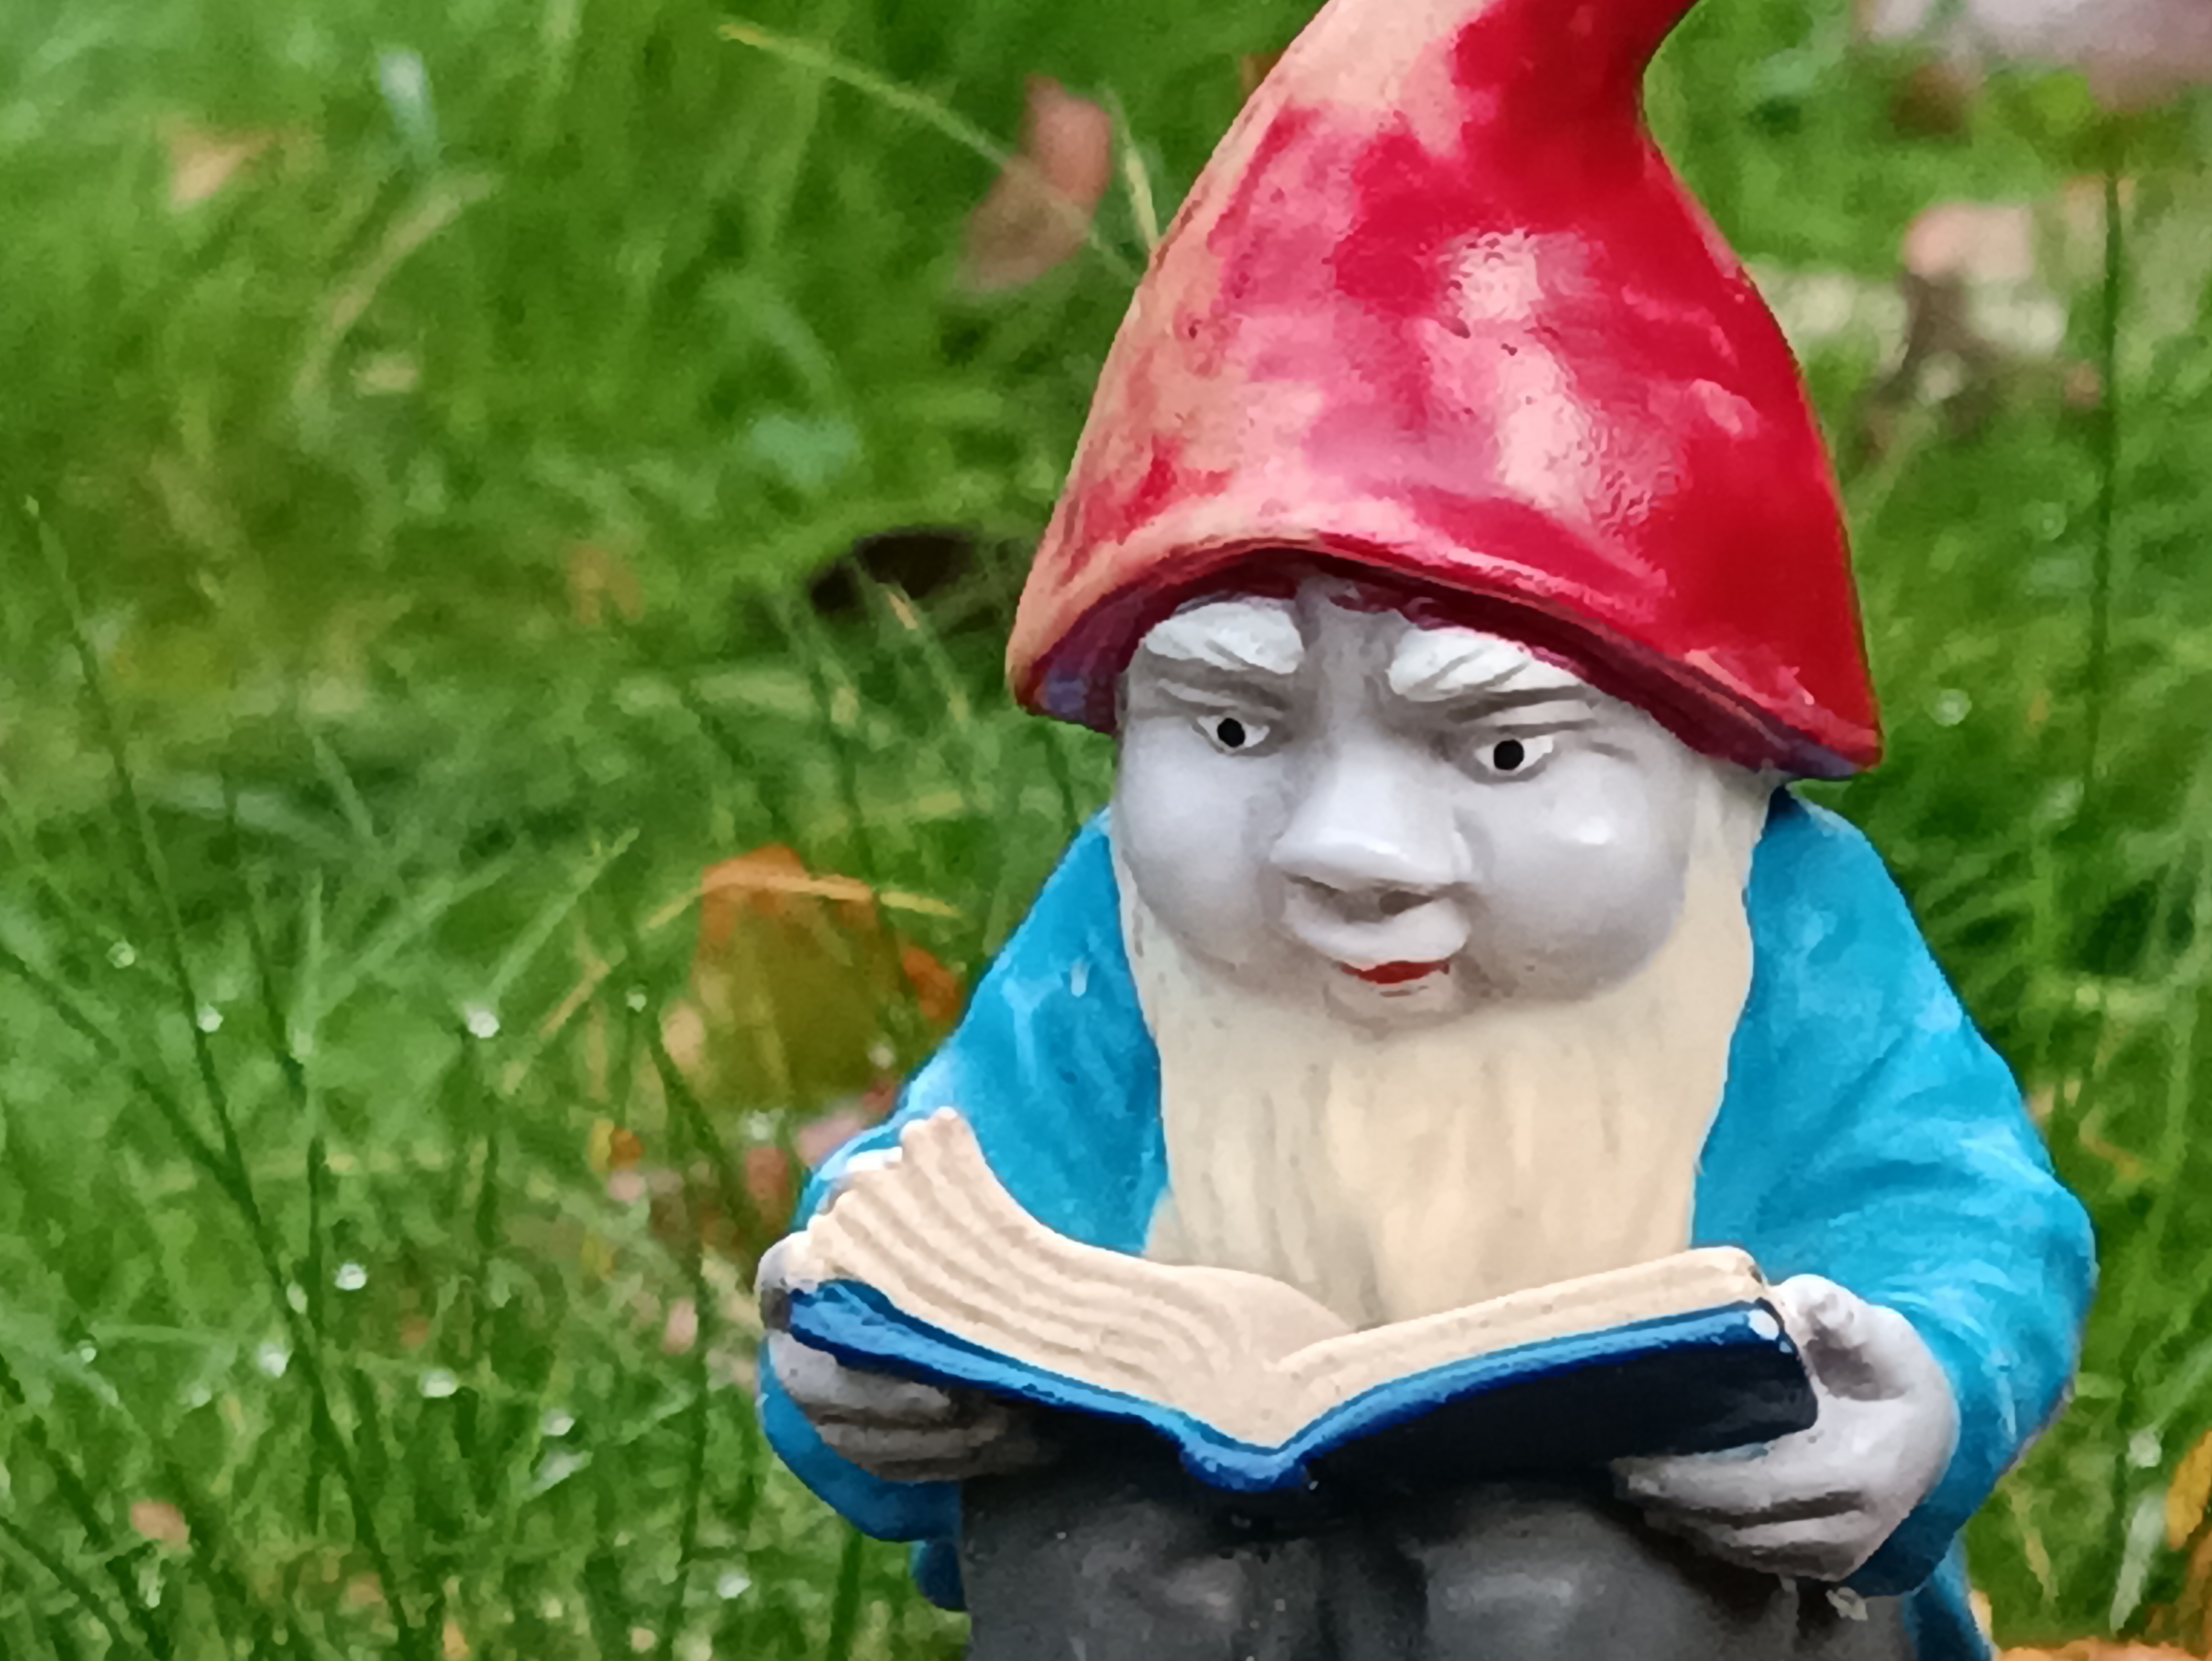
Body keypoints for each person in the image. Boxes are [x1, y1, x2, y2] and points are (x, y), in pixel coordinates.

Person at [757, 0, 2095, 1655]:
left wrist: (1915, 1394)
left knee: (1567, 1598)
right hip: (1197, 1535)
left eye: (1505, 749)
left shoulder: (1782, 934)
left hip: (1655, 1569)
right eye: (1234, 727)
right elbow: (953, 1183)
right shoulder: (1127, 934)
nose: (1351, 849)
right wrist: (857, 1359)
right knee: (1099, 1571)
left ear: (1706, 754)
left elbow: (1957, 1214)